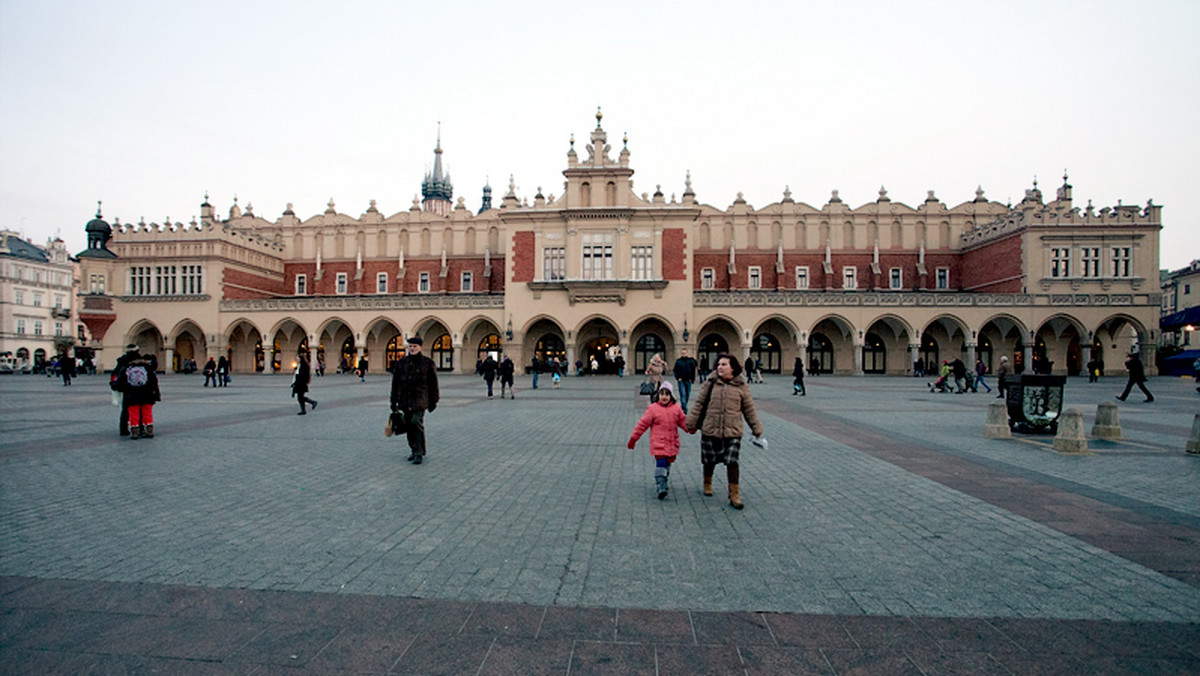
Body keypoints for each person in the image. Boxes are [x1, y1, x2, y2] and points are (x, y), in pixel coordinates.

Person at [686, 353, 765, 510]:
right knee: (709, 460)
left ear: (733, 368)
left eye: (724, 364)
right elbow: (699, 403)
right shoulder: (710, 383)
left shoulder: (741, 385)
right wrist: (691, 422)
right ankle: (707, 482)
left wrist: (756, 428)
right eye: (719, 364)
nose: (720, 367)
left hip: (732, 431)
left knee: (732, 462)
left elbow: (749, 409)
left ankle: (734, 495)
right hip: (711, 429)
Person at [628, 382, 694, 500]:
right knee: (661, 463)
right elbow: (642, 424)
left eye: (667, 394)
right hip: (658, 443)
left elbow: (683, 422)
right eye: (662, 394)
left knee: (667, 464)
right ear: (658, 395)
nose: (664, 397)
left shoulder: (676, 409)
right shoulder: (653, 409)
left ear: (671, 396)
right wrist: (634, 438)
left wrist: (691, 428)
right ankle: (661, 485)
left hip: (671, 443)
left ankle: (663, 479)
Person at [389, 336, 440, 464]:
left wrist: (434, 401)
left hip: (420, 400)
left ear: (420, 347)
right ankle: (414, 449)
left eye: (414, 346)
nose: (412, 348)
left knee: (415, 423)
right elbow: (395, 384)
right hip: (405, 399)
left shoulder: (427, 363)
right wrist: (393, 401)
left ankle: (418, 452)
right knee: (409, 426)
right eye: (410, 346)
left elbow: (433, 384)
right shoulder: (401, 363)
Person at [115, 349, 160, 439]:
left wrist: (118, 387)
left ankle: (135, 432)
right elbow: (154, 382)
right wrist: (155, 394)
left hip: (132, 395)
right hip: (147, 395)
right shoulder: (148, 368)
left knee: (133, 414)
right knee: (147, 413)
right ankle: (148, 431)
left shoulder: (127, 369)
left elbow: (121, 383)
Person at [111, 343, 141, 436]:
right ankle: (138, 427)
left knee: (125, 409)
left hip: (126, 388)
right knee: (138, 407)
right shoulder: (139, 360)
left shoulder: (122, 361)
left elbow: (115, 373)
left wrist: (115, 384)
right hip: (139, 387)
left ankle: (123, 429)